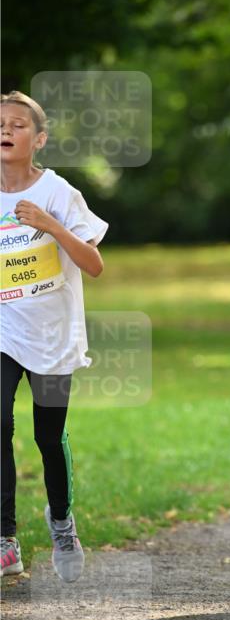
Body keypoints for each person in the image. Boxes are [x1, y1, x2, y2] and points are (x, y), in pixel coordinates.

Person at [1, 91, 107, 581]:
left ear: (39, 139)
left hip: (51, 335)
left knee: (48, 437)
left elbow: (94, 265)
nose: (6, 130)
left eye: (18, 124)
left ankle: (61, 521)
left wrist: (47, 224)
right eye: (0, 124)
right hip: (4, 331)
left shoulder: (58, 193)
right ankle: (5, 540)